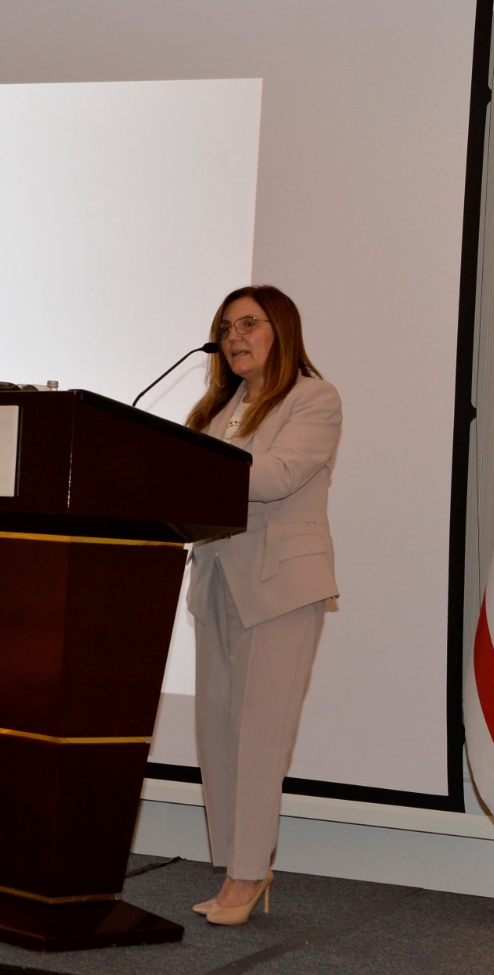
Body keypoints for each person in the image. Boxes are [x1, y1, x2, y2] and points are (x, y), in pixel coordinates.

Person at [185, 285, 340, 926]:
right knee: (218, 733)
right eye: (226, 328)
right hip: (217, 579)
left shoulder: (313, 398)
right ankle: (233, 865)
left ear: (282, 329)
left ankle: (249, 874)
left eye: (249, 324)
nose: (235, 337)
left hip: (279, 584)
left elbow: (276, 476)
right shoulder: (217, 409)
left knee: (260, 736)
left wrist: (188, 467)